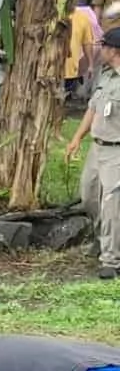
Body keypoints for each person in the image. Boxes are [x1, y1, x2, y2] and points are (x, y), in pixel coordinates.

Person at [66, 27, 120, 278]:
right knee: (88, 195)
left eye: (105, 46)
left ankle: (111, 260)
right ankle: (102, 238)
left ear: (115, 51)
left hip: (116, 152)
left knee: (112, 206)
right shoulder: (105, 76)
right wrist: (77, 138)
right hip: (97, 148)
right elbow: (93, 109)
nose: (101, 49)